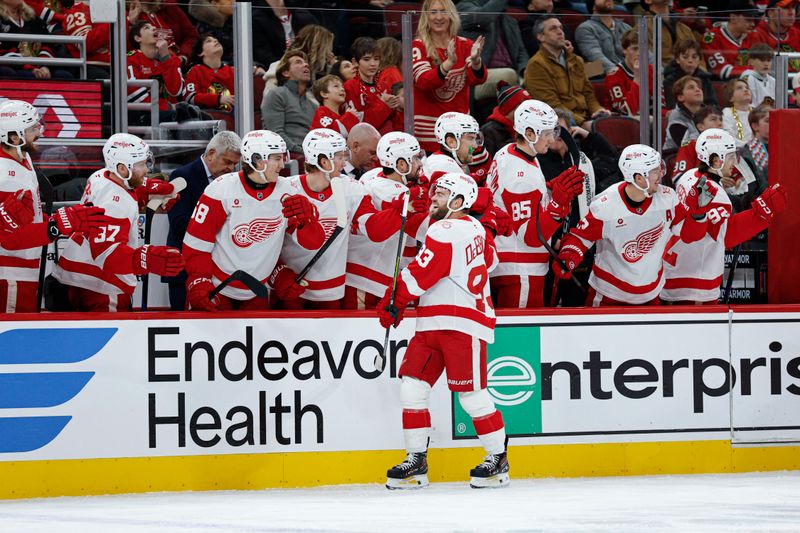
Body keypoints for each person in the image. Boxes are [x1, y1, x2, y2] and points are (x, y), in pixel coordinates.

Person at [379, 172, 510, 490]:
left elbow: (421, 274)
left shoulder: (445, 229)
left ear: (458, 202)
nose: (433, 198)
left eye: (441, 193)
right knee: (412, 387)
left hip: (462, 325)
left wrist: (393, 300)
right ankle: (416, 461)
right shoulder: (474, 227)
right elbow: (490, 260)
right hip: (432, 322)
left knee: (473, 396)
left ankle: (497, 460)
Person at [553, 144, 717, 306]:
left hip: (651, 295)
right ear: (639, 178)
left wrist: (698, 214)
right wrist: (569, 257)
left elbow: (689, 237)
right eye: (654, 171)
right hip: (609, 296)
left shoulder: (668, 199)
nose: (661, 174)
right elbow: (580, 238)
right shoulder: (606, 205)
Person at [182, 130, 325, 311]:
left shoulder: (289, 191)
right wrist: (198, 279)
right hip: (218, 287)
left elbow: (313, 243)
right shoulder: (222, 189)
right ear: (257, 159)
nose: (282, 165)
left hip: (257, 290)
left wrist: (308, 222)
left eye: (282, 158)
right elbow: (197, 244)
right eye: (276, 158)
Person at [51, 134, 184, 312]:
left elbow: (132, 187)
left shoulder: (101, 176)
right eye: (141, 165)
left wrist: (149, 193)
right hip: (102, 287)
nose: (146, 170)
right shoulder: (115, 203)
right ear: (123, 168)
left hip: (76, 271)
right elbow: (107, 253)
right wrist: (146, 258)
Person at [278, 128, 408, 310]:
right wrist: (279, 273)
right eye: (339, 156)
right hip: (290, 289)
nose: (344, 161)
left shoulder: (352, 189)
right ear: (324, 162)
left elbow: (373, 230)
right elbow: (268, 240)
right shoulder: (285, 189)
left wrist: (400, 209)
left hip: (329, 291)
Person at [0, 100, 108, 313]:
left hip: (24, 270)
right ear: (14, 137)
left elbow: (29, 216)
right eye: (32, 128)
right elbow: (9, 237)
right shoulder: (6, 175)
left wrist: (50, 219)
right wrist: (58, 224)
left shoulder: (22, 157)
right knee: (14, 344)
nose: (38, 131)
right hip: (11, 275)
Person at [661, 129, 788, 304]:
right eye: (730, 156)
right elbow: (725, 236)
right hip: (695, 282)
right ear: (715, 160)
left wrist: (742, 203)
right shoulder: (717, 196)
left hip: (674, 269)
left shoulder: (689, 176)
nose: (734, 162)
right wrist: (759, 216)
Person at [487, 100, 584, 308]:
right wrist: (558, 205)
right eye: (547, 133)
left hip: (511, 264)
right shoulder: (520, 175)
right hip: (520, 270)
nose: (552, 139)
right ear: (529, 134)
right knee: (519, 338)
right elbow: (530, 236)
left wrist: (548, 191)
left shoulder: (510, 152)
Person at [343, 132, 430, 310]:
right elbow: (428, 228)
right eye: (415, 158)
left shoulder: (373, 175)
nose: (420, 164)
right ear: (400, 164)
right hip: (366, 280)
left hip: (362, 274)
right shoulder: (395, 193)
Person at [165, 131, 242, 310]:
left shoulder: (232, 182)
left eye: (235, 164)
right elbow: (178, 223)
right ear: (211, 153)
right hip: (184, 270)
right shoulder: (181, 176)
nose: (231, 168)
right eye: (227, 162)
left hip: (221, 270)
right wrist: (220, 231)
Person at [411, 0, 487, 152]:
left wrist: (477, 62)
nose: (439, 17)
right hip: (428, 132)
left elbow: (478, 79)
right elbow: (424, 81)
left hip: (460, 129)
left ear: (452, 15)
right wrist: (449, 63)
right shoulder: (418, 46)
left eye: (444, 11)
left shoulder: (465, 45)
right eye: (433, 12)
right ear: (426, 16)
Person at [524, 16, 610, 129]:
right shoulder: (536, 65)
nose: (560, 32)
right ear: (541, 37)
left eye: (561, 27)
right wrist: (583, 123)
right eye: (553, 28)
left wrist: (598, 110)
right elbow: (552, 106)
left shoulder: (576, 60)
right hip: (562, 123)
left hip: (586, 118)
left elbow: (588, 94)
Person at [457, 0, 530, 100]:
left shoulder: (509, 20)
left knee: (535, 75)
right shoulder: (464, 6)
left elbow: (521, 51)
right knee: (509, 75)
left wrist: (525, 69)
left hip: (513, 72)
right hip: (480, 75)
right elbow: (485, 16)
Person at [261, 50, 318, 156]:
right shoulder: (276, 94)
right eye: (298, 62)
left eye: (305, 63)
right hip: (288, 155)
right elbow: (276, 134)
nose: (306, 65)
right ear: (286, 72)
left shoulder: (314, 105)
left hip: (309, 155)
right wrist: (303, 153)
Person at [127, 20, 185, 120]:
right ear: (137, 38)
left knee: (199, 115)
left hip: (170, 111)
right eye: (147, 28)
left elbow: (177, 92)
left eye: (153, 26)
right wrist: (167, 107)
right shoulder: (131, 59)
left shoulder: (169, 58)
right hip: (145, 115)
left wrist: (165, 58)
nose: (154, 28)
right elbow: (134, 95)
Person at [344, 37, 397, 134]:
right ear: (355, 62)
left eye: (376, 59)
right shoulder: (350, 87)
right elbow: (358, 123)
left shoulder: (384, 87)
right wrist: (384, 106)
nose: (373, 64)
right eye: (367, 59)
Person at [126, 0, 198, 67]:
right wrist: (131, 23)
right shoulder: (126, 13)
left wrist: (183, 57)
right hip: (151, 67)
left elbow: (192, 35)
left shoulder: (168, 6)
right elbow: (124, 50)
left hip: (177, 63)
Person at [701, 0, 758, 81]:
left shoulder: (753, 36)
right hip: (723, 86)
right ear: (733, 18)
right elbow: (722, 71)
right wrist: (753, 70)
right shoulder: (711, 38)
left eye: (753, 20)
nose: (753, 24)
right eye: (748, 19)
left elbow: (763, 65)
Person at [604, 28, 656, 116]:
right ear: (624, 50)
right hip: (620, 121)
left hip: (647, 118)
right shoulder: (614, 76)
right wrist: (637, 78)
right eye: (635, 49)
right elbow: (625, 111)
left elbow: (659, 105)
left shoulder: (650, 69)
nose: (640, 53)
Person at [575, 0, 632, 75]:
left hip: (630, 72)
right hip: (606, 75)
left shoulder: (626, 27)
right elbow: (595, 56)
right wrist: (620, 73)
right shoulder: (585, 28)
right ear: (593, 6)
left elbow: (643, 52)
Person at [57, 0, 111, 79]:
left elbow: (127, 47)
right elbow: (86, 44)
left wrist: (131, 22)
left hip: (118, 65)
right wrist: (113, 22)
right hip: (93, 66)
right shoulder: (76, 12)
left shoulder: (108, 9)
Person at [422, 112, 481, 181]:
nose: (475, 146)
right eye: (470, 138)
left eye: (475, 138)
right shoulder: (446, 166)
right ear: (451, 142)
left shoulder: (440, 160)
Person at [745, 0, 800, 73]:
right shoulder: (756, 35)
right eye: (785, 8)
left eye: (793, 7)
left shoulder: (797, 33)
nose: (791, 13)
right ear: (770, 13)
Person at [185, 33, 235, 112]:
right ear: (201, 53)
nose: (215, 41)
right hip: (207, 118)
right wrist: (218, 99)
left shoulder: (232, 71)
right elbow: (190, 97)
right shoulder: (195, 71)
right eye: (209, 41)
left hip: (233, 117)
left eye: (216, 40)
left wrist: (256, 70)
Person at [670, 106, 723, 180]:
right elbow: (679, 177)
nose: (720, 123)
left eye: (721, 120)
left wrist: (736, 183)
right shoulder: (690, 145)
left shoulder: (727, 147)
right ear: (701, 126)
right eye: (713, 119)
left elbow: (740, 177)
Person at [481, 81, 531, 157]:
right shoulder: (489, 132)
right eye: (523, 105)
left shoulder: (530, 125)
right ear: (509, 108)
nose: (529, 110)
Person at [663, 40, 717, 109]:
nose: (690, 61)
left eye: (694, 57)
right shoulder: (669, 81)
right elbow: (671, 107)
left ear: (699, 60)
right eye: (685, 57)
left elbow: (713, 104)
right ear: (677, 59)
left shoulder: (705, 79)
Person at [642, 0, 695, 65]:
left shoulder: (685, 29)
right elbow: (650, 62)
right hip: (661, 72)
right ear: (648, 0)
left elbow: (699, 59)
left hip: (689, 72)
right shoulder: (643, 28)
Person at [663, 76, 706, 152]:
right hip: (676, 158)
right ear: (680, 97)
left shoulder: (709, 113)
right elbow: (686, 145)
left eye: (699, 87)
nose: (697, 89)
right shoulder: (676, 117)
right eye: (691, 87)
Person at [722, 79, 754, 146]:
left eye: (747, 87)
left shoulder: (757, 110)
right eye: (739, 88)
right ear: (731, 97)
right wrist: (747, 146)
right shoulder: (727, 112)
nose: (745, 90)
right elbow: (728, 137)